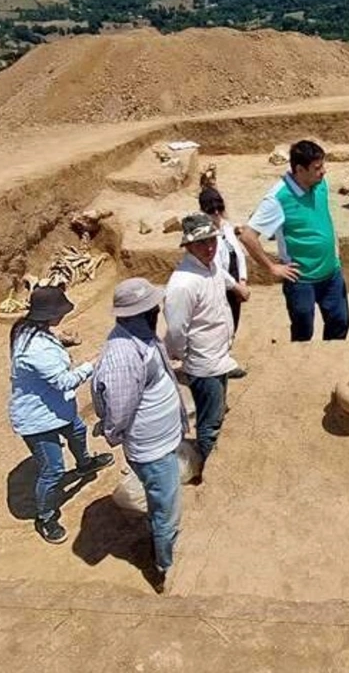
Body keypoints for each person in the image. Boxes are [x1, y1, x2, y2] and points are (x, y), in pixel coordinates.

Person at [92, 278, 188, 592]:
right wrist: (114, 432)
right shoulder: (121, 355)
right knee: (166, 510)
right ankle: (164, 566)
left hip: (161, 442)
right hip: (152, 449)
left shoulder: (141, 337)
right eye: (152, 309)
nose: (157, 312)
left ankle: (163, 541)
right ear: (136, 314)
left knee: (163, 499)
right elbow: (118, 411)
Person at [8, 285, 114, 545]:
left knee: (78, 431)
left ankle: (85, 463)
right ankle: (45, 516)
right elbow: (64, 382)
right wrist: (92, 363)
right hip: (38, 420)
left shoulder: (30, 330)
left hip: (56, 408)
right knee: (53, 470)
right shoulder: (35, 349)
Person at [240, 139, 349, 342]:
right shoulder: (277, 198)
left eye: (323, 165)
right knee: (303, 332)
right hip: (301, 280)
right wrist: (272, 267)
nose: (323, 171)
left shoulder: (320, 184)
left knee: (340, 323)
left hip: (331, 273)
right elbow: (248, 236)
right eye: (317, 168)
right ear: (300, 169)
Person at [165, 214, 239, 465]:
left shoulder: (210, 264)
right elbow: (176, 330)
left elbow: (222, 277)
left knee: (216, 410)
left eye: (212, 241)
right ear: (188, 246)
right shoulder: (183, 284)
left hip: (220, 355)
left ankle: (209, 453)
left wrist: (238, 286)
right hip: (204, 362)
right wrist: (183, 354)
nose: (209, 247)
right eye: (201, 243)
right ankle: (206, 465)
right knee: (210, 420)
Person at [199, 186, 250, 379]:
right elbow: (216, 267)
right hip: (221, 286)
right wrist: (236, 286)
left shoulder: (227, 227)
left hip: (235, 285)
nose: (217, 213)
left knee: (232, 323)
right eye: (212, 210)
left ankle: (225, 360)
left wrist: (242, 280)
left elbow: (239, 255)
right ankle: (218, 365)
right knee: (220, 325)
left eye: (219, 208)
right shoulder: (206, 235)